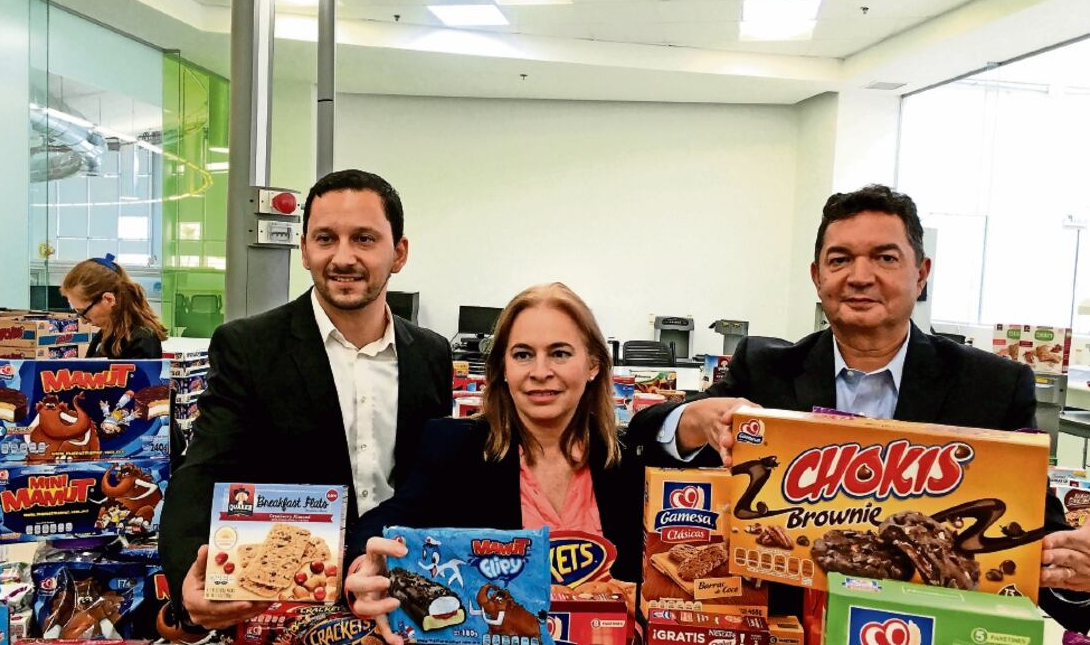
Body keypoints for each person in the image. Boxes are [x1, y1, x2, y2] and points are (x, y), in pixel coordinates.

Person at [628, 184, 1090, 633]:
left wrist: (1077, 574)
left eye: (885, 258)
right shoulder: (765, 369)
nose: (860, 276)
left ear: (921, 273)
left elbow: (1035, 536)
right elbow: (644, 438)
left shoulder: (992, 384)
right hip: (791, 626)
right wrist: (692, 420)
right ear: (817, 276)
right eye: (840, 259)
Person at [158, 169, 453, 631]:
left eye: (364, 239)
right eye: (325, 238)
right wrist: (185, 583)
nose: (343, 257)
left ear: (399, 253)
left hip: (398, 595)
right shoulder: (250, 346)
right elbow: (204, 472)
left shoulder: (432, 355)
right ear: (304, 251)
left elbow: (434, 479)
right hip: (291, 604)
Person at [345, 283, 642, 644]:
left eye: (560, 353)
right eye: (522, 355)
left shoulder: (628, 461)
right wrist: (365, 566)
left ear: (594, 364)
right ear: (502, 367)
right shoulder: (454, 447)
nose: (540, 371)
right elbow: (385, 521)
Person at [61, 254, 167, 359]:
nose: (83, 321)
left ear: (109, 299)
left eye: (83, 311)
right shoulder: (105, 334)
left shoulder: (142, 341)